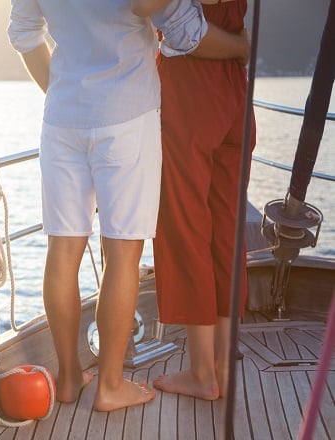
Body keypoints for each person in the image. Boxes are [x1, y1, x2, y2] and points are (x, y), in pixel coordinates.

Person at [8, 0, 250, 411]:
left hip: (63, 117)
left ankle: (68, 380)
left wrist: (69, 92)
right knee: (123, 255)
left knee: (63, 248)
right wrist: (241, 47)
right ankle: (110, 385)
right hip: (127, 115)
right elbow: (183, 31)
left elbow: (24, 34)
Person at [148, 0, 256, 400]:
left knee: (186, 228)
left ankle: (201, 373)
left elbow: (183, 31)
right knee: (228, 228)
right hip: (235, 90)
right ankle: (223, 368)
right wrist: (241, 47)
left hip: (190, 90)